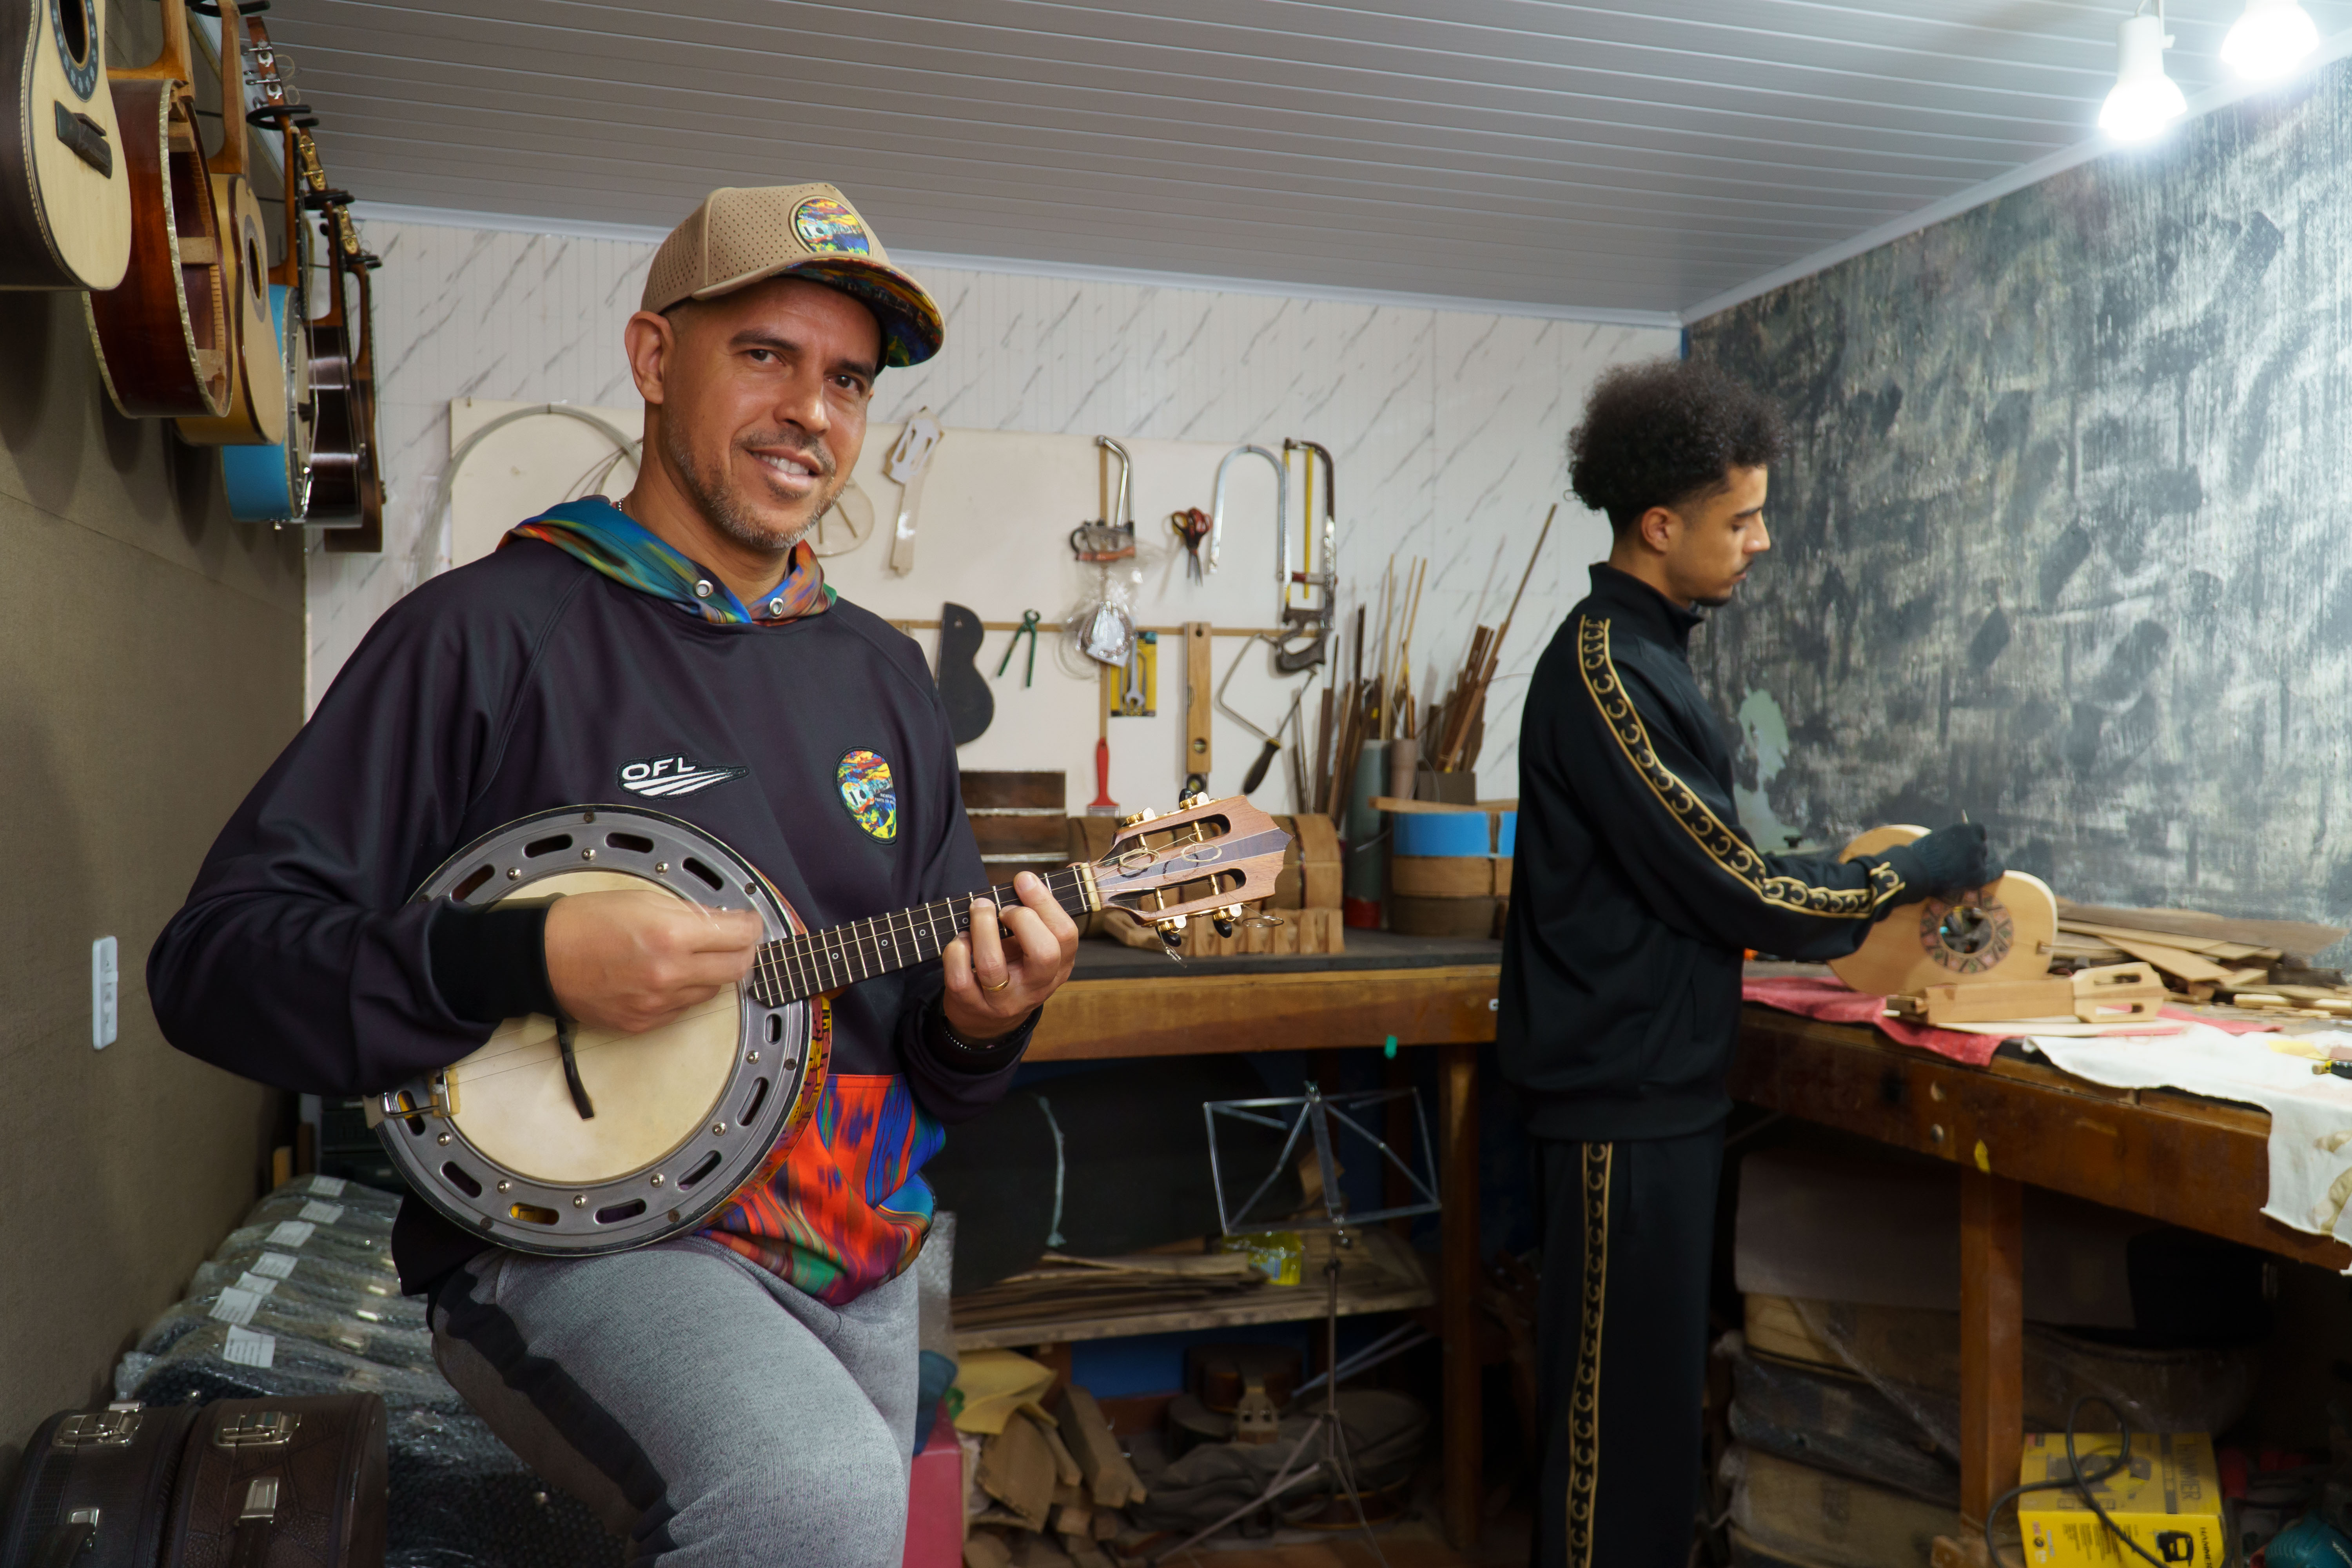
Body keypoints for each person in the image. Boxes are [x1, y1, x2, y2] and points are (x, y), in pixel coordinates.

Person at [148, 184, 1079, 1567]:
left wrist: (985, 1021)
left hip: (859, 1247)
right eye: (765, 354)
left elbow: (934, 1060)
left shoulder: (884, 676)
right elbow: (215, 963)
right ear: (655, 359)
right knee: (808, 1499)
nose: (811, 413)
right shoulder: (482, 633)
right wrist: (523, 960)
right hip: (581, 1244)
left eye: (848, 381)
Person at [1497, 358, 2000, 1568]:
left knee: (1654, 1417)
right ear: (1659, 527)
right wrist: (1911, 868)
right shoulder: (1608, 670)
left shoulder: (1651, 655)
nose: (1762, 542)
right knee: (1610, 1431)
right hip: (1617, 1099)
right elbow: (1740, 884)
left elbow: (1708, 871)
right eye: (1743, 518)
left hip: (1654, 1086)